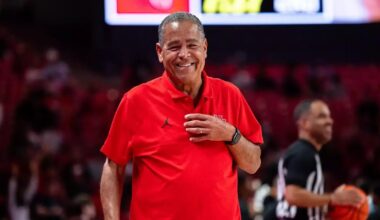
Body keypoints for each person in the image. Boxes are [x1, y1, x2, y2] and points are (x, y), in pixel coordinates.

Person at [99, 12, 263, 220]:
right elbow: (113, 167)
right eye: (174, 47)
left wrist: (231, 134)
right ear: (160, 52)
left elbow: (253, 164)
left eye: (192, 45)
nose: (184, 54)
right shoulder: (136, 100)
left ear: (204, 48)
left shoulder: (230, 94)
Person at [276, 99, 362, 219]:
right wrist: (333, 198)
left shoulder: (304, 151)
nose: (330, 121)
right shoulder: (303, 153)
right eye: (322, 117)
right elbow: (293, 195)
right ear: (304, 123)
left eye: (329, 116)